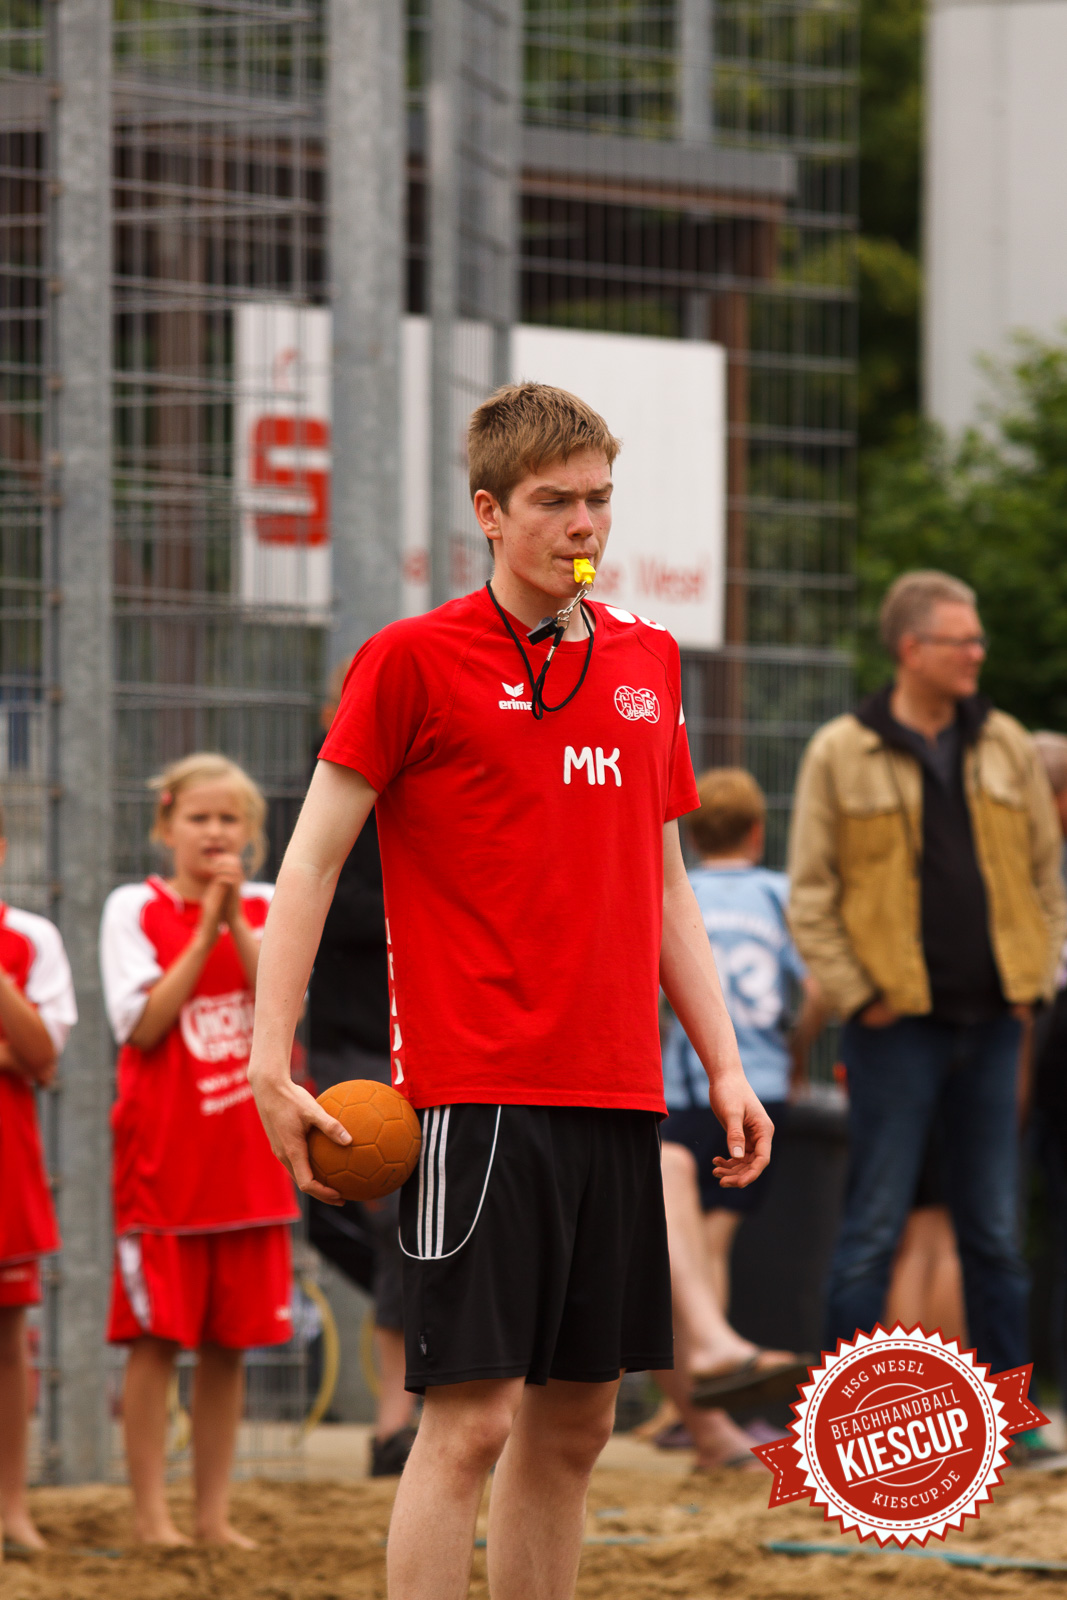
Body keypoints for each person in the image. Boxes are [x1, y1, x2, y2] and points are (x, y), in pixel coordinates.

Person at [249, 381, 772, 1600]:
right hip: (471, 1093)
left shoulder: (646, 662)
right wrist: (267, 1064)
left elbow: (667, 893)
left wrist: (728, 1064)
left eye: (596, 498)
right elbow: (311, 861)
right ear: (489, 511)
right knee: (470, 1422)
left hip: (618, 1091)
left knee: (578, 1426)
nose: (581, 523)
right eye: (552, 502)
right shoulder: (411, 660)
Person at [788, 569, 1066, 1377]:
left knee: (994, 1235)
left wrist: (1034, 982)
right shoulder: (841, 751)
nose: (977, 652)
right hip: (893, 1029)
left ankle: (1012, 1425)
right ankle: (842, 1418)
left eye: (977, 638)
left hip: (993, 1024)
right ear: (910, 649)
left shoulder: (1006, 743)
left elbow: (1046, 877)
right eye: (961, 640)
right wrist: (858, 998)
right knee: (870, 1231)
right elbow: (811, 894)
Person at [99, 754, 299, 1545]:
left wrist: (237, 922)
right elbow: (144, 1025)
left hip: (250, 1163)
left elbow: (282, 1004)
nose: (215, 834)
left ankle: (211, 1516)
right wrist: (204, 925)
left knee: (229, 1346)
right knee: (155, 1343)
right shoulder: (133, 907)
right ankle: (152, 1517)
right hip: (164, 1165)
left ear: (251, 831)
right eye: (199, 819)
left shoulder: (270, 901)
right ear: (166, 827)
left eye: (230, 820)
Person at [652, 769, 822, 1466]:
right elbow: (813, 990)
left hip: (683, 1080)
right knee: (709, 1240)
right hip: (755, 1081)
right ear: (758, 831)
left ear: (689, 829)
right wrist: (793, 1049)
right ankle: (707, 1380)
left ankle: (690, 1396)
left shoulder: (675, 889)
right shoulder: (775, 894)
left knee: (686, 1235)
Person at [306, 662, 417, 1477]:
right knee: (380, 1219)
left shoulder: (431, 787)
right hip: (350, 1042)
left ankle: (408, 1418)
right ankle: (394, 1418)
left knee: (416, 1230)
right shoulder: (319, 799)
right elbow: (323, 905)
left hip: (428, 1038)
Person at [0, 801, 77, 1552]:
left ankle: (11, 1508)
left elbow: (41, 1057)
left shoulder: (30, 938)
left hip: (7, 1168)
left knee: (9, 1339)